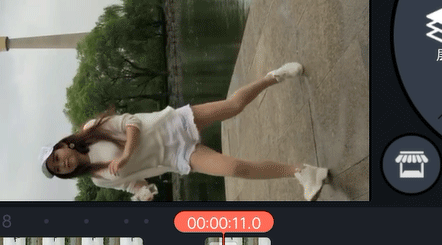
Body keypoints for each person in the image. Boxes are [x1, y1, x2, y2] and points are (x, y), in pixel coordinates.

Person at [39, 63, 328, 200]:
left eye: (57, 158)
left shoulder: (91, 131)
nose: (62, 164)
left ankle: (273, 77)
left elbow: (132, 123)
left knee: (234, 106)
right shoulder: (99, 179)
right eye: (58, 169)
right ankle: (302, 172)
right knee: (235, 168)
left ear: (62, 146)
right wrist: (142, 192)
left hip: (171, 125)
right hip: (176, 156)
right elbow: (130, 183)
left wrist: (125, 156)